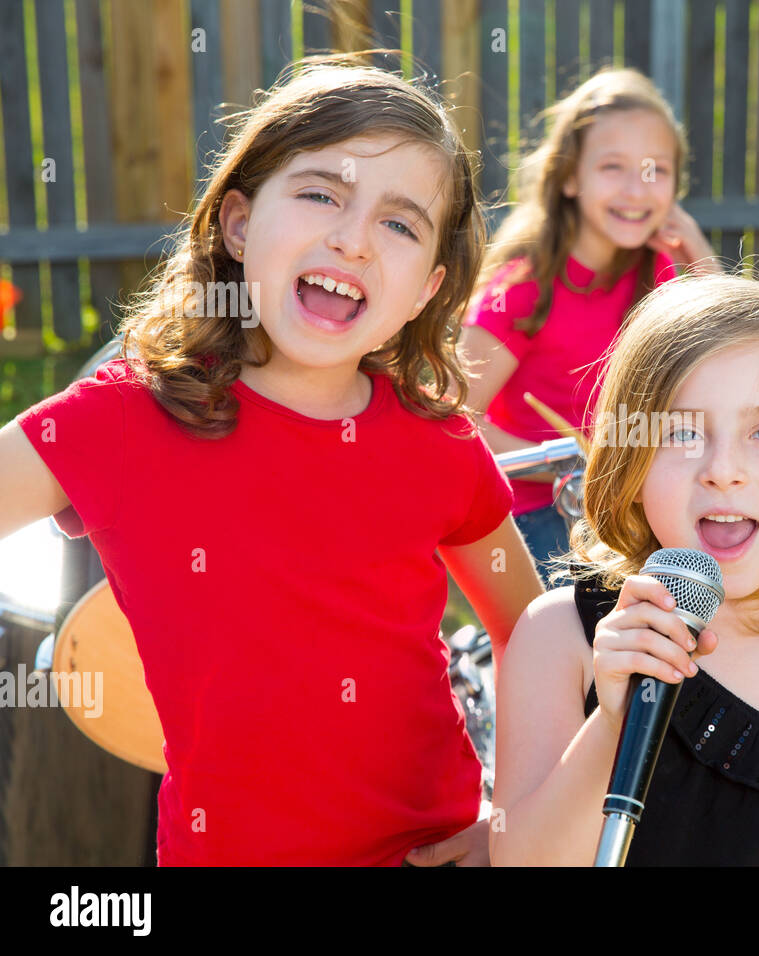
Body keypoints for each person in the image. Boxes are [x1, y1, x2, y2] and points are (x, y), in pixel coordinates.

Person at [0, 53, 543, 866]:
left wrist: (511, 823)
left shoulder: (441, 445)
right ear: (240, 223)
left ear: (425, 291)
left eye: (398, 223)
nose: (353, 239)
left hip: (426, 851)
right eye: (321, 193)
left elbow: (534, 634)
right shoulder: (118, 420)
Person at [489, 273, 759, 865]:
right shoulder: (560, 636)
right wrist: (614, 723)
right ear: (631, 464)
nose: (723, 469)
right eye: (682, 431)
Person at [458, 68, 719, 580]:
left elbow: (735, 359)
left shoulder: (662, 273)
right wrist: (559, 462)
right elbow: (457, 413)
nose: (636, 189)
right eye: (612, 167)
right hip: (541, 514)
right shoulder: (524, 289)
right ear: (571, 177)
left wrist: (702, 258)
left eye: (655, 171)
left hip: (634, 504)